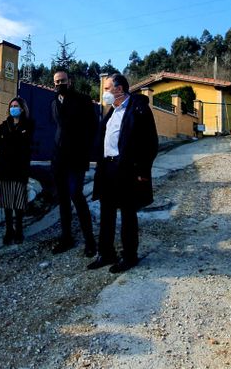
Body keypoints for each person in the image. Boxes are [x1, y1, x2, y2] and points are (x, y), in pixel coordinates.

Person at [88, 73, 158, 273]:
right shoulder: (112, 111)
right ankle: (106, 253)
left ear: (119, 89)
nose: (104, 93)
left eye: (107, 88)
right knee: (107, 211)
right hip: (107, 168)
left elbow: (151, 143)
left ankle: (129, 256)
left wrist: (143, 171)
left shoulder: (139, 109)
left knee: (127, 212)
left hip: (126, 168)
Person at [50, 70, 98, 256]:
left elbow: (92, 128)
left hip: (76, 159)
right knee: (62, 200)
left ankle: (90, 241)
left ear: (70, 81)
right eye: (56, 81)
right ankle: (67, 238)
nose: (59, 84)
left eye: (62, 80)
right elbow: (58, 129)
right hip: (58, 159)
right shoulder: (54, 103)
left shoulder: (83, 100)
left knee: (76, 196)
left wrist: (84, 152)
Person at [0, 97, 35, 245]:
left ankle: (19, 231)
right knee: (7, 202)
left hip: (20, 168)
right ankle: (9, 230)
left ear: (22, 108)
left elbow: (25, 143)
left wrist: (8, 141)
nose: (13, 108)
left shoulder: (29, 125)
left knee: (18, 202)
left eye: (16, 106)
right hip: (4, 168)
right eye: (11, 106)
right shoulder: (4, 125)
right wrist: (13, 140)